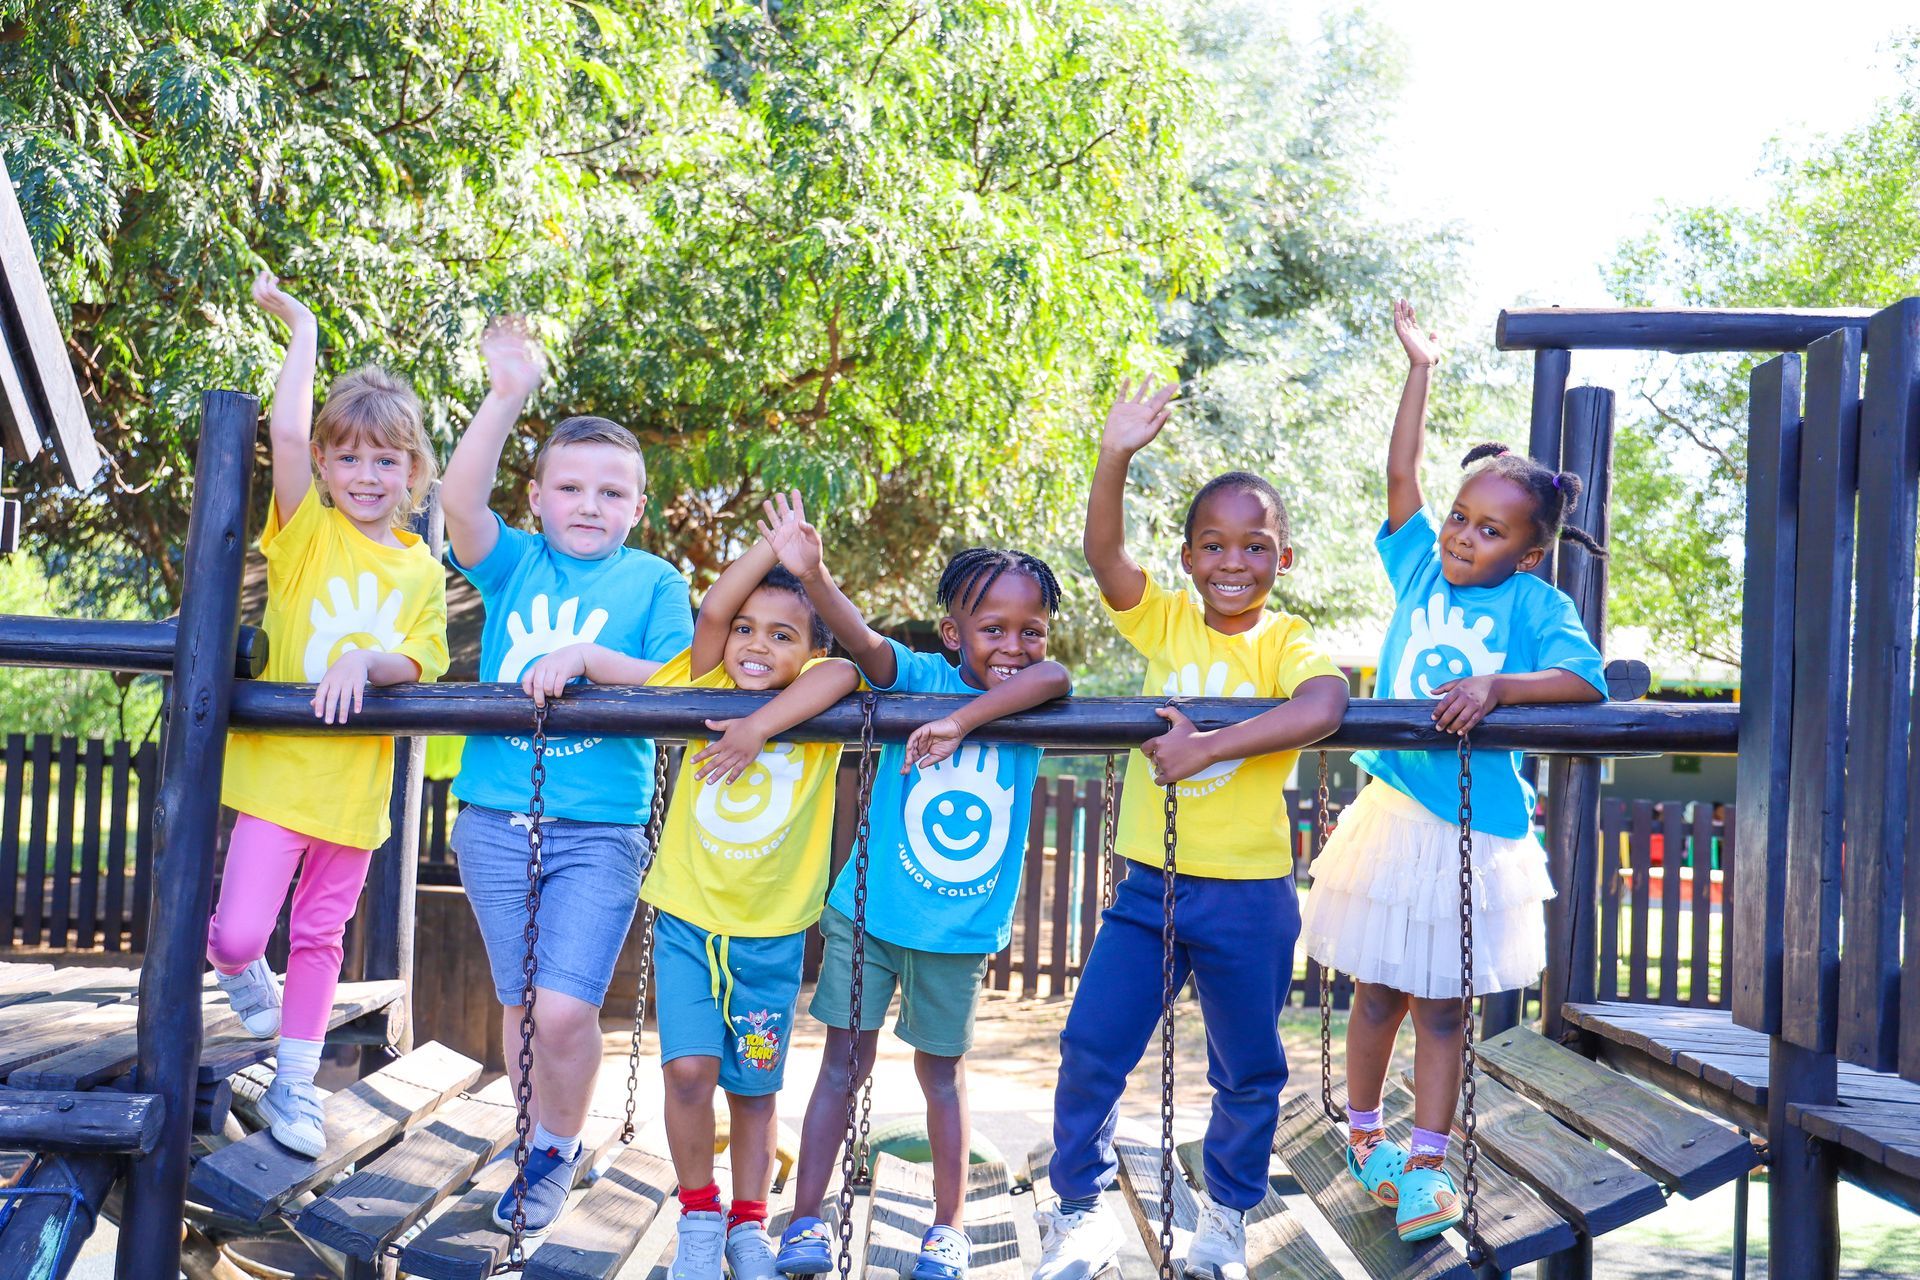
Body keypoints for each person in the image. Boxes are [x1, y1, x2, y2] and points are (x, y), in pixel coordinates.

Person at [1299, 301, 1607, 1241]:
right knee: (1376, 992)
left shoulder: (1536, 602)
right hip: (1394, 816)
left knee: (1442, 1009)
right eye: (1461, 519)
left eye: (1489, 531)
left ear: (1529, 547)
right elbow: (1400, 473)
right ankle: (1365, 1139)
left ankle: (1430, 1162)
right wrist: (1420, 367)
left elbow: (1585, 682)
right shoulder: (1417, 572)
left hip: (1474, 831)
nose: (1464, 537)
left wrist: (1497, 685)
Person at [1034, 382, 1350, 1280]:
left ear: (1281, 557)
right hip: (1151, 888)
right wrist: (1115, 454)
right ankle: (1079, 1210)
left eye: (1254, 545)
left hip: (1251, 894)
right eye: (1213, 545)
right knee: (1093, 1044)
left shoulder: (1284, 638)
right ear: (1188, 555)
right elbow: (1102, 558)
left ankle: (1226, 1218)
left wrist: (1207, 746)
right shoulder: (1166, 619)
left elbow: (1323, 705)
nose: (1233, 561)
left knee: (1247, 1068)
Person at [769, 496, 1072, 1280]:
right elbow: (866, 645)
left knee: (940, 1073)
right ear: (952, 635)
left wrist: (967, 722)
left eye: (1028, 629)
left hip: (958, 933)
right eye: (992, 629)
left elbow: (1055, 675)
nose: (1012, 645)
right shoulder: (922, 677)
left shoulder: (1038, 690)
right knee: (843, 1062)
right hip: (867, 914)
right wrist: (814, 574)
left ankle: (948, 1229)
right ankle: (806, 1219)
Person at [440, 319, 694, 1236]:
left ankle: (557, 1145)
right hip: (495, 817)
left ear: (637, 507)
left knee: (561, 1006)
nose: (591, 503)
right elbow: (459, 504)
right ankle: (532, 1140)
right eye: (572, 487)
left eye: (612, 491)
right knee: (517, 1004)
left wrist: (590, 656)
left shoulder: (654, 582)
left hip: (597, 828)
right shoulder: (517, 563)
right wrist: (506, 397)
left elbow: (680, 676)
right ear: (539, 498)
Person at [212, 269, 449, 1156]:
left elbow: (423, 657)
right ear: (324, 465)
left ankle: (296, 1090)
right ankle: (238, 975)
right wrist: (301, 325)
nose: (366, 473)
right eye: (348, 457)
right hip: (280, 778)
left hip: (353, 790)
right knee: (239, 933)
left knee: (321, 937)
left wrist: (364, 660)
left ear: (413, 472)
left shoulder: (422, 570)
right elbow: (283, 424)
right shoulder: (307, 530)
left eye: (386, 460)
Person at [639, 495, 860, 1280]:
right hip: (688, 922)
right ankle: (700, 1214)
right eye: (748, 629)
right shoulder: (706, 685)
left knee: (756, 1087)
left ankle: (748, 1225)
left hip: (769, 937)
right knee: (691, 1072)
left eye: (782, 633)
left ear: (805, 650)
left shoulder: (823, 703)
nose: (757, 644)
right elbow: (710, 613)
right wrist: (766, 556)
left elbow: (843, 665)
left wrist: (761, 727)